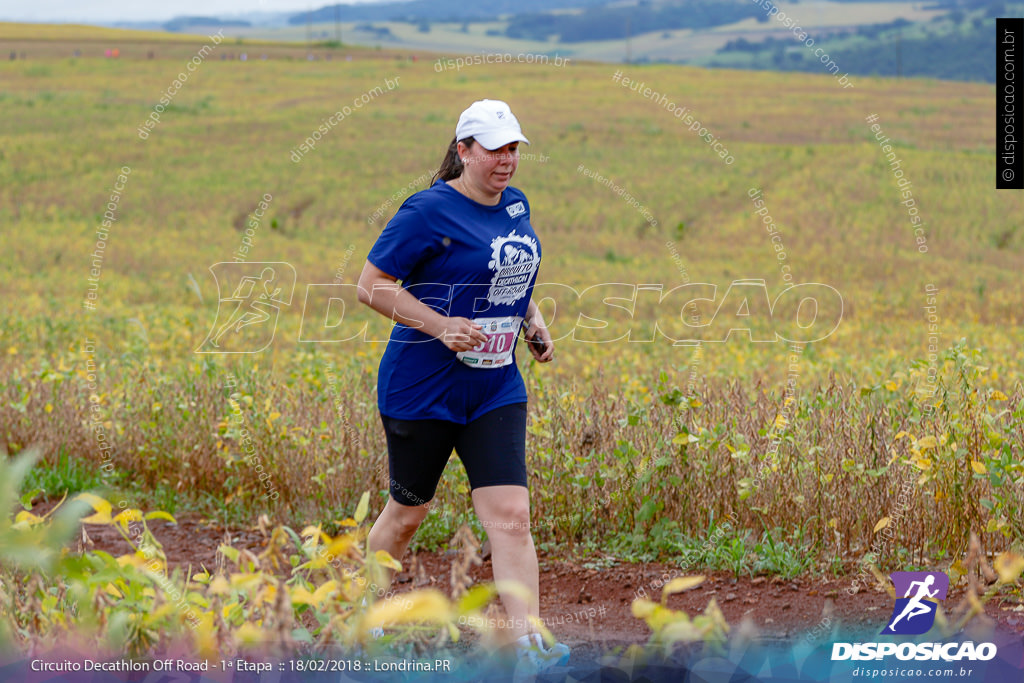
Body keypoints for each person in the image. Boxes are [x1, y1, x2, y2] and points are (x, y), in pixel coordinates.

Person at [356, 99, 568, 671]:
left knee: (511, 518)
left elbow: (509, 275)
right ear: (463, 151)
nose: (507, 160)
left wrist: (531, 320)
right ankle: (361, 619)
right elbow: (371, 285)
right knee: (406, 516)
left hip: (495, 387)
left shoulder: (517, 206)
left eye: (514, 148)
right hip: (422, 387)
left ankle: (526, 644)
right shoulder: (426, 211)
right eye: (495, 148)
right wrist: (441, 325)